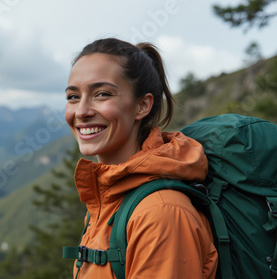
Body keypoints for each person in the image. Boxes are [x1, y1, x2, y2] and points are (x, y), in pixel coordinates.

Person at [64, 38, 218, 278]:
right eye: (73, 96)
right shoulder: (110, 196)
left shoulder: (161, 213)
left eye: (102, 94)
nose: (81, 111)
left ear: (142, 106)